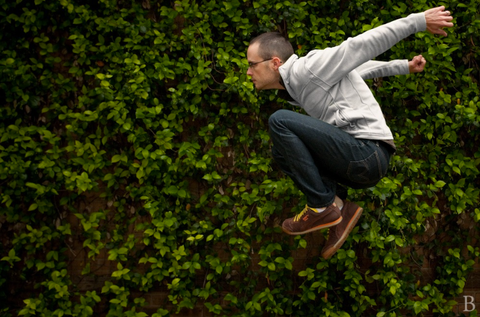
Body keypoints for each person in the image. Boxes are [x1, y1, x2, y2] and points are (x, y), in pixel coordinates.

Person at [246, 6, 453, 259]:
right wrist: (402, 66)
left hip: (368, 152)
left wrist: (417, 21)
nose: (248, 72)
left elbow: (359, 47)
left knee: (279, 121)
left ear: (275, 63)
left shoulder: (308, 68)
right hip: (360, 163)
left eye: (252, 65)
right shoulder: (296, 89)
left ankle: (321, 206)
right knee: (281, 151)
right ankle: (339, 208)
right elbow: (358, 69)